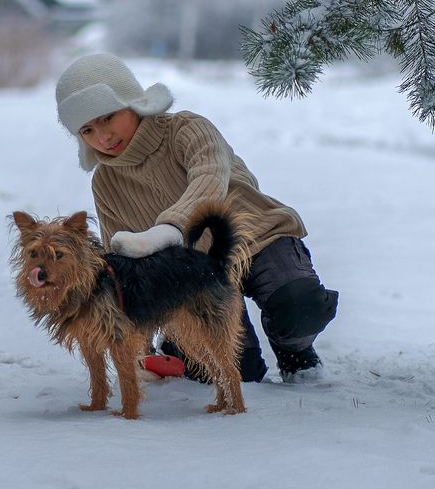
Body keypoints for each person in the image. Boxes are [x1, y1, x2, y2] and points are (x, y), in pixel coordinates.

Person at [55, 53, 338, 383]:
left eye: (108, 116)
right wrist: (138, 345)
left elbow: (210, 177)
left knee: (298, 307)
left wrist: (171, 227)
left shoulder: (186, 129)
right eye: (87, 129)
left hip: (258, 238)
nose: (102, 136)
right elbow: (122, 262)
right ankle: (179, 346)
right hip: (194, 279)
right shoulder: (106, 182)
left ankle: (292, 347)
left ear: (133, 102)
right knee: (237, 371)